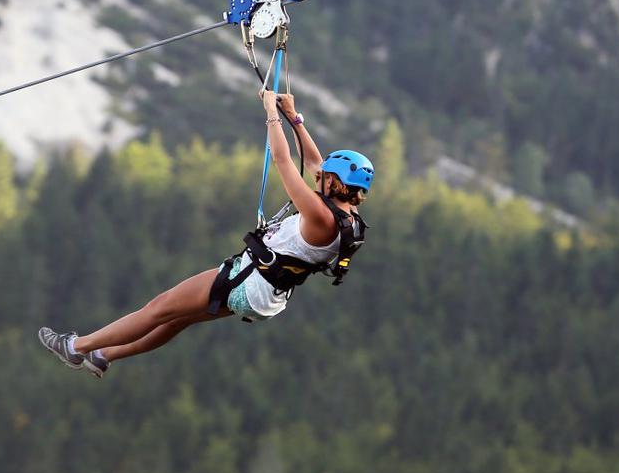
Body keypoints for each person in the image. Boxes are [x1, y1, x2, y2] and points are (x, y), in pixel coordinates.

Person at [38, 91, 374, 378]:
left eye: (327, 176)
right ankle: (105, 356)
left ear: (336, 183)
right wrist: (295, 119)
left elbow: (285, 163)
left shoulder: (319, 216)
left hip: (249, 280)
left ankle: (75, 347)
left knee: (160, 308)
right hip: (268, 294)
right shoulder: (349, 219)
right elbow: (314, 163)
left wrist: (272, 115)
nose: (320, 177)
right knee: (175, 320)